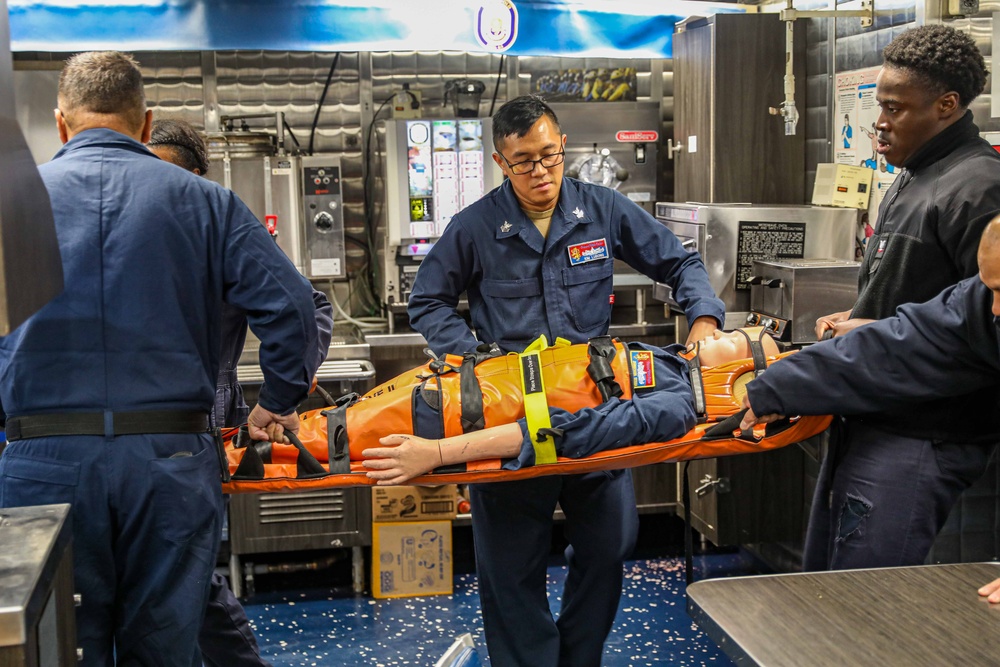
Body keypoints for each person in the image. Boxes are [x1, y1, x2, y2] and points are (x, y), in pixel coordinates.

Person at [0, 52, 319, 666]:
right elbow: (293, 307)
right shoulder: (207, 203)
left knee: (55, 646)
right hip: (169, 465)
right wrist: (276, 401)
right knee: (167, 649)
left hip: (42, 465)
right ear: (147, 126)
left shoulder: (11, 206)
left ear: (62, 125)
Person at [407, 94, 724, 667]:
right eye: (524, 161)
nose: (541, 172)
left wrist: (703, 318)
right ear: (501, 163)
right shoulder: (475, 227)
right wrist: (477, 361)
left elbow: (679, 262)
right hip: (507, 417)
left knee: (610, 546)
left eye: (550, 156)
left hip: (595, 409)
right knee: (508, 567)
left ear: (563, 146)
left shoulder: (601, 209)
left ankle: (577, 658)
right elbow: (426, 302)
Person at [804, 24, 1000, 572]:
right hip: (874, 413)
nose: (880, 124)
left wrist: (873, 331)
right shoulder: (914, 176)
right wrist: (863, 313)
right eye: (878, 107)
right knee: (838, 584)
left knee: (876, 603)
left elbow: (982, 328)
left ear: (946, 105)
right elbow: (920, 289)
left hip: (925, 434)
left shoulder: (978, 187)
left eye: (895, 109)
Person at [147, 118, 334, 667]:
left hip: (199, 441)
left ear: (197, 179)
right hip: (142, 447)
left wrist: (281, 394)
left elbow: (308, 308)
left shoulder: (216, 231)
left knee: (193, 586)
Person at [742, 214, 1000, 572]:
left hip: (932, 432)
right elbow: (907, 342)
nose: (996, 309)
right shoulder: (980, 303)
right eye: (992, 290)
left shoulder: (972, 189)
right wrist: (784, 383)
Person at [360, 328, 778, 485]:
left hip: (461, 415)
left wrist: (433, 454)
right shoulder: (669, 363)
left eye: (732, 340)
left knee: (324, 441)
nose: (716, 331)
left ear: (737, 377)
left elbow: (556, 430)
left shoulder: (671, 408)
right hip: (465, 385)